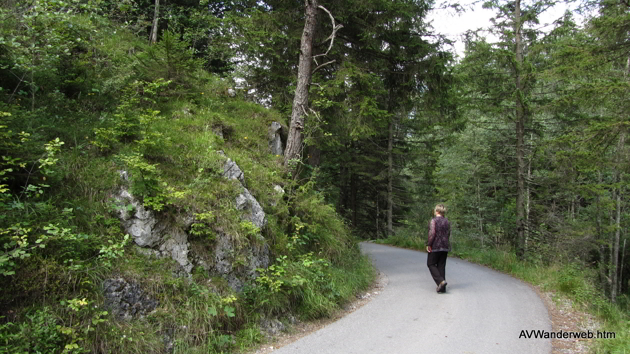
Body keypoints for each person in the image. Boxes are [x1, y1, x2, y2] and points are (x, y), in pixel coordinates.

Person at [426, 204, 451, 293]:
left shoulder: (434, 221)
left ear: (437, 211)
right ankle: (442, 288)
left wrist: (429, 244)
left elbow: (432, 233)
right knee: (441, 266)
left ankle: (441, 281)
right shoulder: (447, 221)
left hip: (435, 246)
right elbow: (448, 233)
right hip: (445, 246)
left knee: (431, 264)